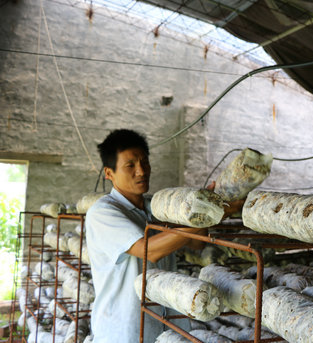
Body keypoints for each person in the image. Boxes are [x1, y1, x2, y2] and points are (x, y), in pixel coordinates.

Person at [85, 129, 242, 343]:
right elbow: (148, 250)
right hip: (125, 331)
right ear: (109, 173)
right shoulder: (103, 212)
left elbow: (197, 243)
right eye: (130, 165)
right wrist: (213, 213)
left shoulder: (155, 207)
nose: (141, 171)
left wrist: (205, 206)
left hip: (167, 327)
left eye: (145, 162)